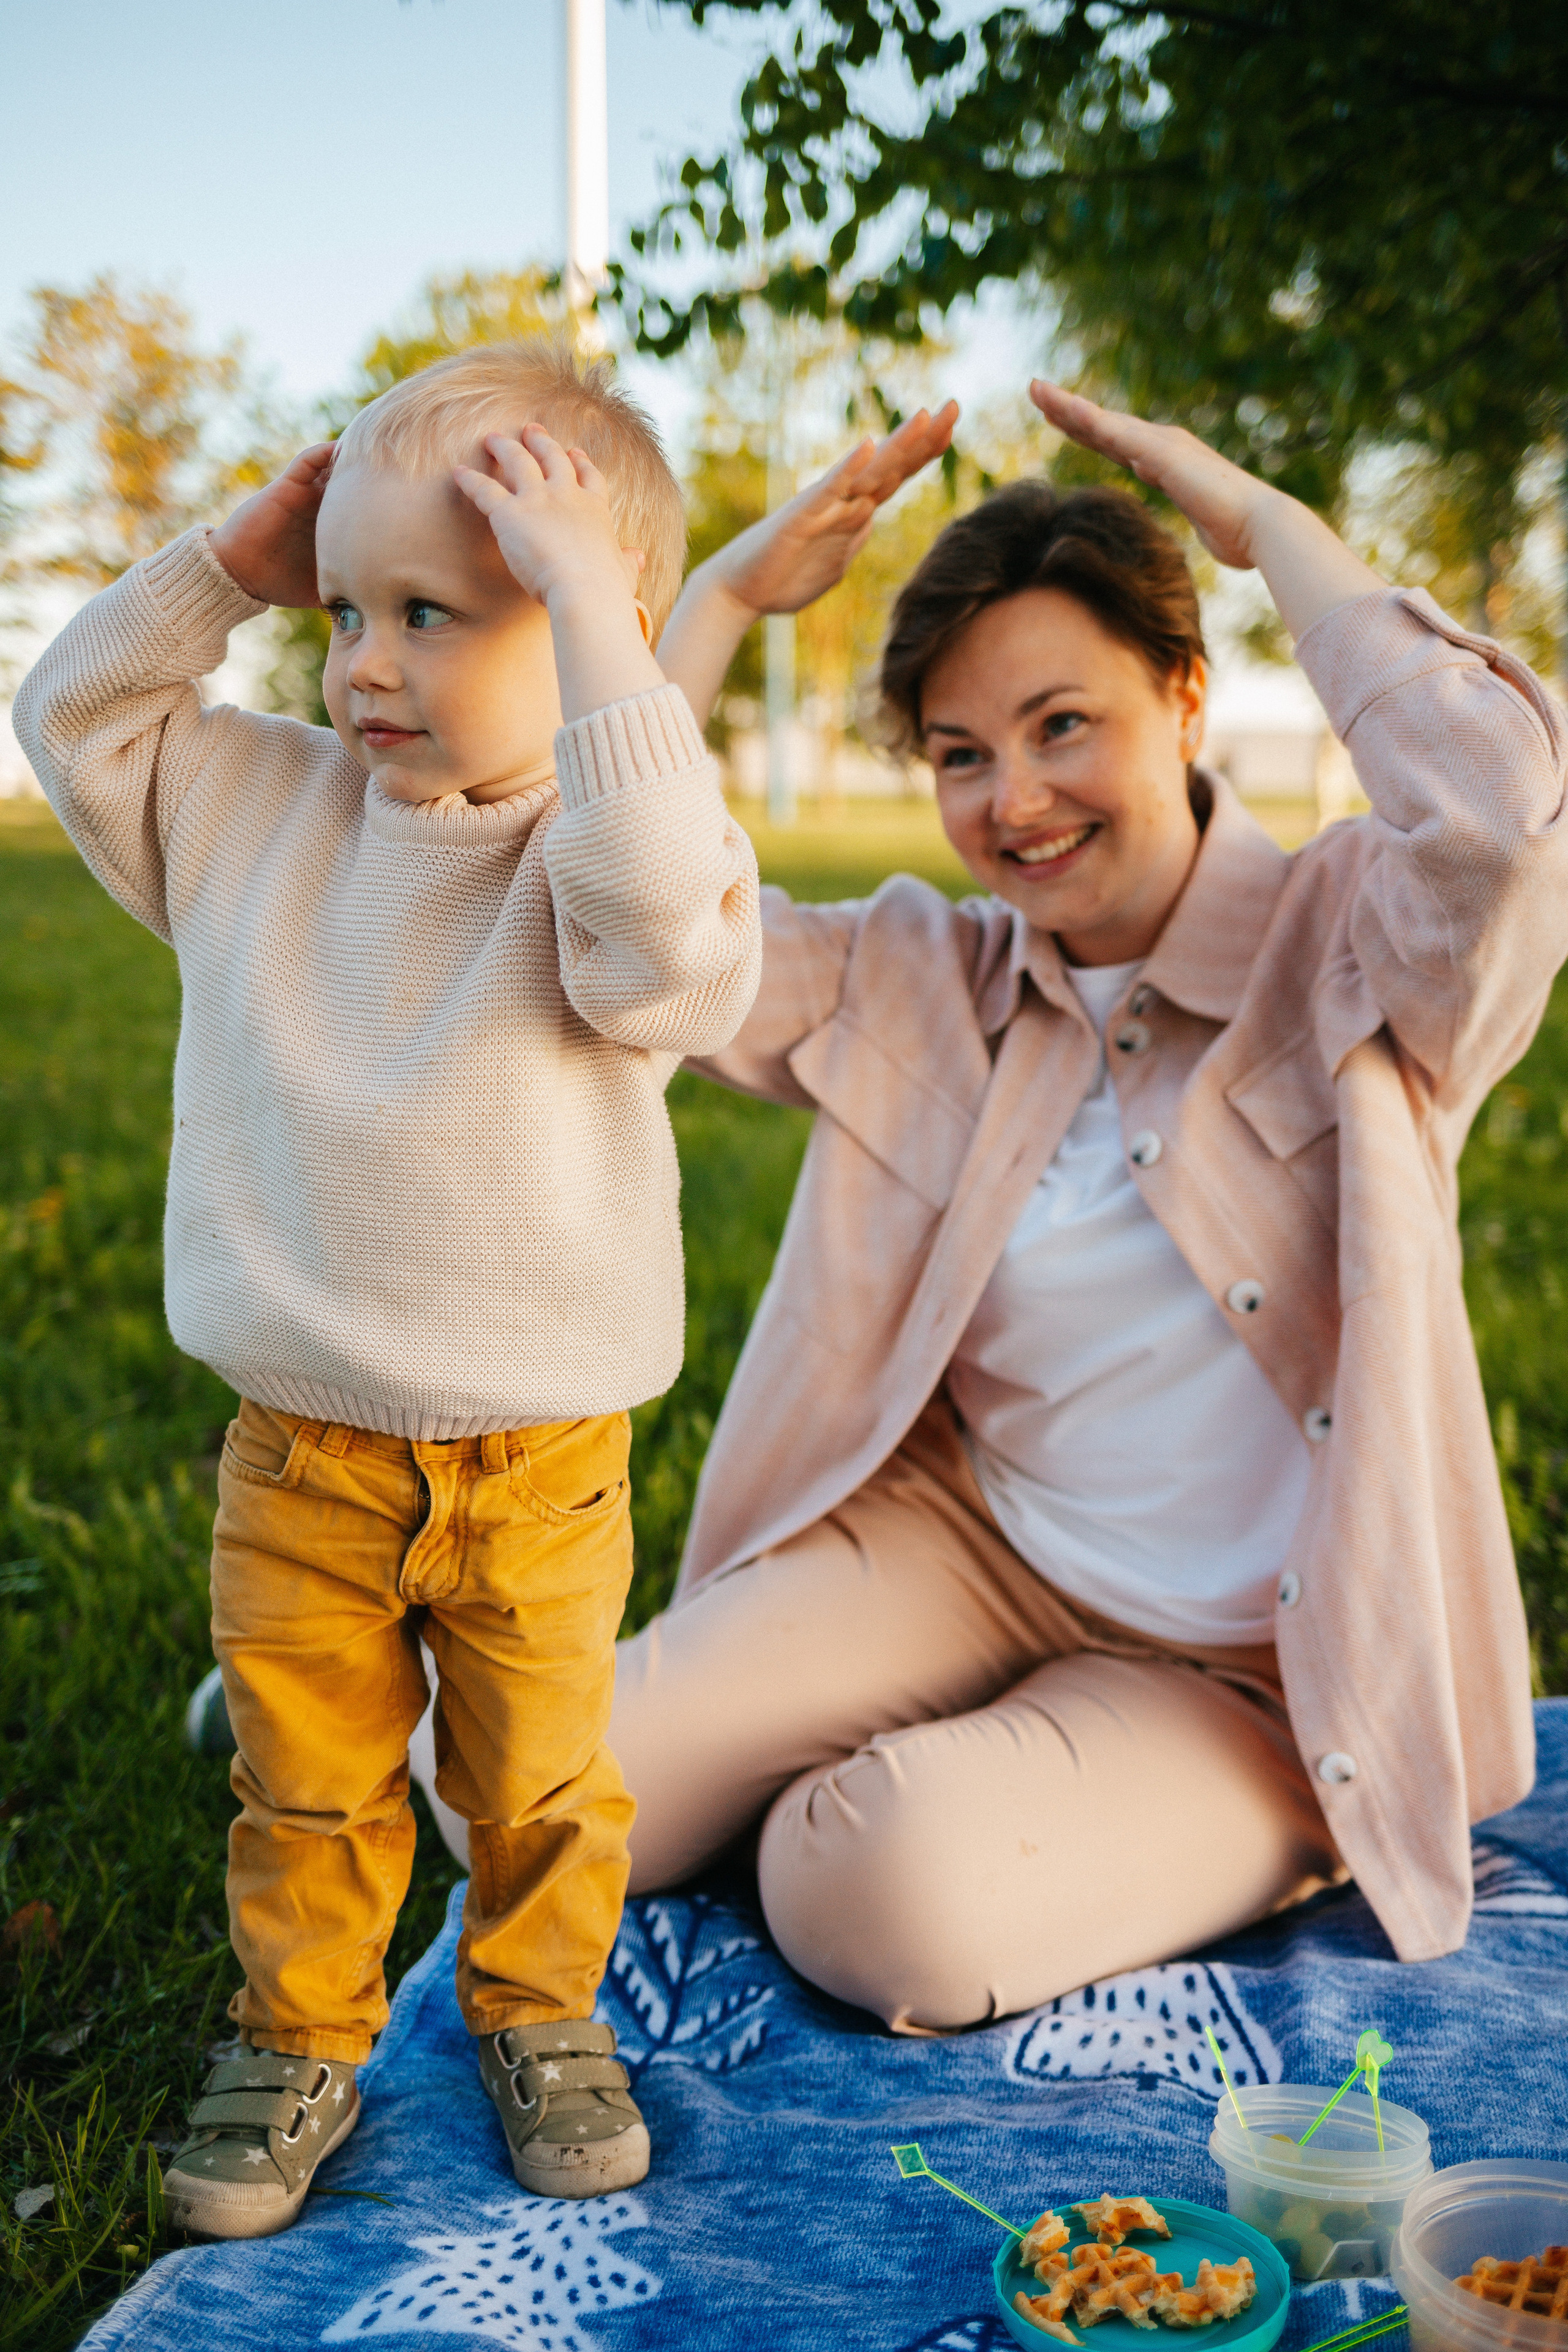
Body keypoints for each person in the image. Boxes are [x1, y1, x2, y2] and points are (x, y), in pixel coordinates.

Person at [590, 380, 1562, 2037]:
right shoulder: (927, 968)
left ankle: (1102, 1809)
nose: (1011, 801)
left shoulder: (1356, 946)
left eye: (1061, 725)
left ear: (1186, 696)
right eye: (961, 756)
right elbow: (631, 946)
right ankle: (369, 1722)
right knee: (527, 1799)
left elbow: (1501, 818)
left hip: (1247, 1670)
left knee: (868, 1892)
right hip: (968, 1549)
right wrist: (717, 607)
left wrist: (1276, 542)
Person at [15, 343, 805, 2239]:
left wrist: (617, 650)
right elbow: (73, 716)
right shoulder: (260, 816)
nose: (360, 658)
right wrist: (228, 559)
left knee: (537, 1789)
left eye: (432, 612)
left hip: (540, 1464)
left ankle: (537, 2014)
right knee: (309, 1785)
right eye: (346, 607)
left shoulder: (608, 862)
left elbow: (667, 951)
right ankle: (299, 2032)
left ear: (591, 636)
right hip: (302, 1454)